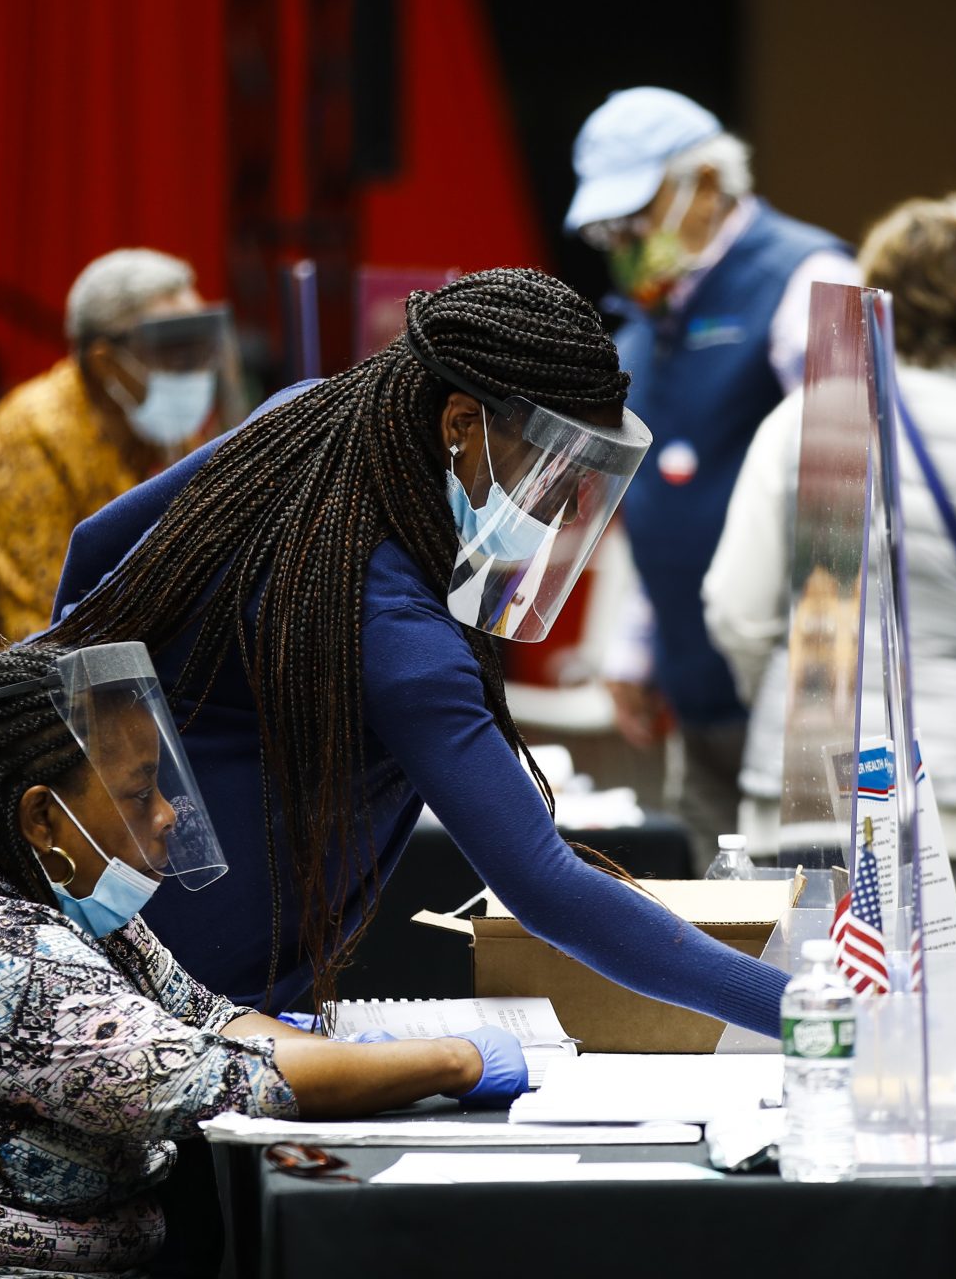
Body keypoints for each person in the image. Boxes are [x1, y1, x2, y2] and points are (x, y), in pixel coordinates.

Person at [47, 268, 794, 1037]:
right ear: (461, 425)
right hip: (188, 996)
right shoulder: (399, 635)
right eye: (557, 467)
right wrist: (804, 1012)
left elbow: (92, 564)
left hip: (107, 942)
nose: (572, 507)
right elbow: (546, 886)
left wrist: (102, 764)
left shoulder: (308, 422)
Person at [0, 642, 525, 1273]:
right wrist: (454, 1061)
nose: (167, 814)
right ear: (44, 819)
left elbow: (211, 1021)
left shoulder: (63, 899)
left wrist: (340, 1055)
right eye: (140, 791)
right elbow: (216, 1082)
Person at [703, 195, 956, 1060]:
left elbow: (736, 609)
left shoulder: (808, 426)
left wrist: (781, 693)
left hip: (813, 780)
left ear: (874, 295)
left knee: (808, 1041)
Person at [565, 87, 861, 867]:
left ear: (707, 182)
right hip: (696, 694)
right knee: (712, 931)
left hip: (799, 697)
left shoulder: (809, 277)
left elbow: (850, 489)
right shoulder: (644, 320)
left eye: (636, 209)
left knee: (804, 934)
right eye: (608, 222)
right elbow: (657, 501)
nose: (622, 237)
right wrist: (637, 646)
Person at [0, 248, 231, 680]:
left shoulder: (164, 432)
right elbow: (42, 633)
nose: (193, 371)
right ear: (106, 362)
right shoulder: (29, 438)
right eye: (173, 354)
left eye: (199, 350)